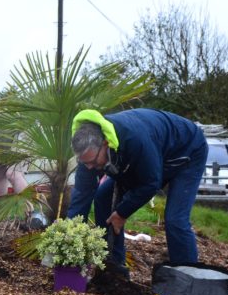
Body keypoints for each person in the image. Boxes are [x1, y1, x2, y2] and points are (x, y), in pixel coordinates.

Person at [67, 109, 207, 275]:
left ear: (105, 144)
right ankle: (114, 267)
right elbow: (81, 196)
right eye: (84, 163)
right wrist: (71, 234)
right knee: (102, 197)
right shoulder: (90, 157)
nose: (89, 167)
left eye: (92, 162)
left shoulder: (135, 140)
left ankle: (187, 278)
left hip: (186, 151)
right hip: (152, 154)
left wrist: (121, 212)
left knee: (175, 219)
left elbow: (150, 183)